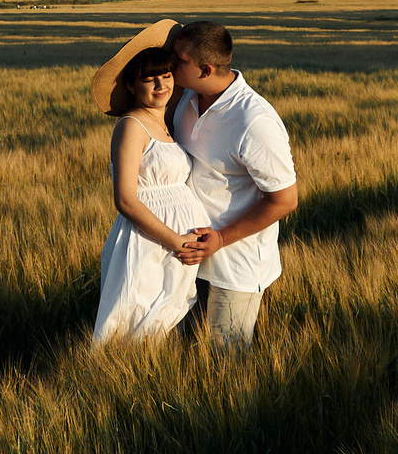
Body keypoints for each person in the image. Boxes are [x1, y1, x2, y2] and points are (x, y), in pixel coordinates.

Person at [166, 20, 299, 350]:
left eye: (179, 59)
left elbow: (285, 200)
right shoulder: (186, 98)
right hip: (187, 257)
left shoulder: (254, 121)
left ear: (205, 69)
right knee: (184, 355)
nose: (170, 63)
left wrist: (222, 238)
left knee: (225, 362)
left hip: (235, 267)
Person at [85, 20, 208, 343]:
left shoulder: (168, 122)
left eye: (165, 75)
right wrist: (176, 242)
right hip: (148, 245)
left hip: (176, 247)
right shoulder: (131, 126)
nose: (160, 85)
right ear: (131, 85)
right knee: (136, 328)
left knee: (163, 331)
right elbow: (125, 200)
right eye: (148, 78)